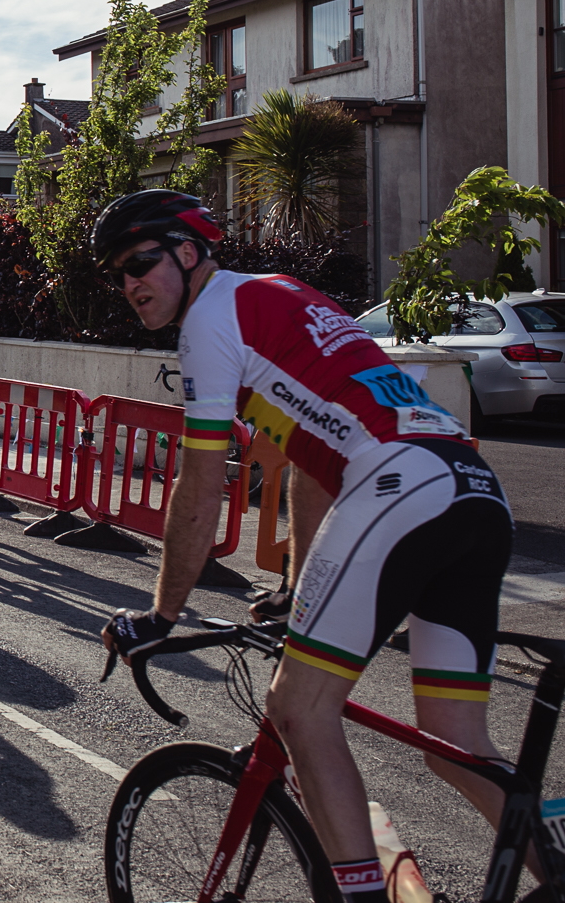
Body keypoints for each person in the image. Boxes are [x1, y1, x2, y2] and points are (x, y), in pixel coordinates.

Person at [92, 191, 515, 903]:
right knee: (458, 741)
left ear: (189, 253)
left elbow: (199, 487)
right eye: (118, 273)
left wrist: (161, 615)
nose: (130, 283)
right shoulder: (282, 296)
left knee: (298, 709)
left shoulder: (208, 321)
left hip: (400, 486)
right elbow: (316, 463)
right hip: (469, 487)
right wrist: (298, 587)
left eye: (140, 262)